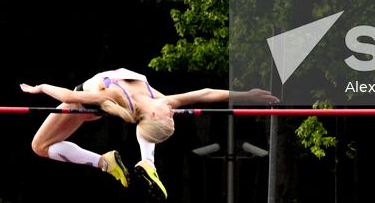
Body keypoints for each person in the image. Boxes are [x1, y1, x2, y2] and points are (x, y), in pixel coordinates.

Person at [20, 68, 277, 197]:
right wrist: (246, 95)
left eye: (170, 119)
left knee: (39, 147)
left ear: (156, 116)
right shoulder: (164, 102)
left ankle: (104, 162)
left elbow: (69, 96)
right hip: (106, 106)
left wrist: (41, 87)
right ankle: (146, 162)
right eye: (173, 117)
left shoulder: (122, 97)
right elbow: (206, 94)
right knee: (141, 121)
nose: (172, 113)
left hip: (84, 102)